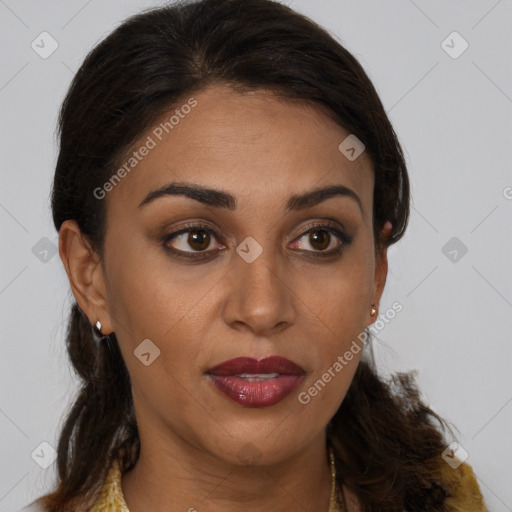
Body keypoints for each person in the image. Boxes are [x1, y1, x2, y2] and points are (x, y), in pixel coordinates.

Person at [24, 0, 488, 510]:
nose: (263, 308)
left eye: (318, 239)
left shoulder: (448, 500)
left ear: (376, 274)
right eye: (195, 239)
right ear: (91, 277)